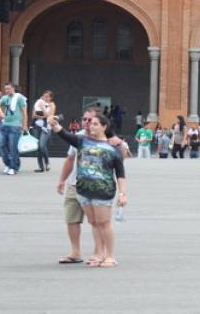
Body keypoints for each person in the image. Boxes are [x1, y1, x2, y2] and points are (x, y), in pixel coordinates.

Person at [50, 113, 126, 268]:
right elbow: (62, 133)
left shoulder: (113, 147)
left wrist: (122, 194)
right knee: (94, 223)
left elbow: (120, 173)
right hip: (84, 190)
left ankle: (110, 256)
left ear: (104, 127)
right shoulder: (82, 141)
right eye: (91, 123)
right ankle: (99, 254)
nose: (91, 126)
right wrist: (52, 122)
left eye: (96, 124)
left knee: (104, 223)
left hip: (103, 190)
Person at [0, 82, 28, 175]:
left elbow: (24, 112)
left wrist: (24, 125)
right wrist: (1, 113)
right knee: (0, 144)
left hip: (15, 126)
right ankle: (8, 163)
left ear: (13, 88)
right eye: (5, 89)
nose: (6, 90)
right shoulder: (5, 98)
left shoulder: (20, 98)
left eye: (8, 88)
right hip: (4, 125)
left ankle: (14, 167)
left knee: (13, 147)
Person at [32, 90, 56, 173]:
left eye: (47, 96)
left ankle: (47, 162)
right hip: (37, 127)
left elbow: (49, 116)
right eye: (44, 96)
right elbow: (33, 115)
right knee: (38, 147)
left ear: (51, 98)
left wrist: (42, 108)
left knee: (42, 145)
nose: (45, 98)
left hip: (47, 128)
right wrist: (43, 116)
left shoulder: (52, 105)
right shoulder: (38, 103)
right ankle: (41, 167)